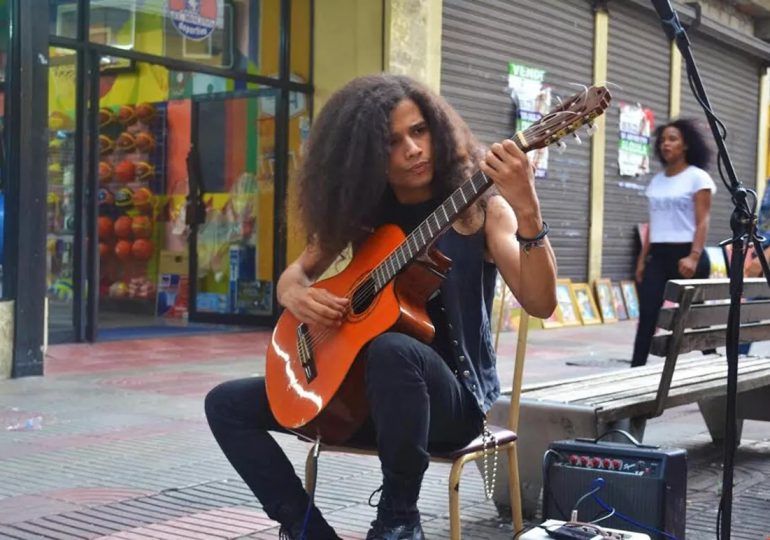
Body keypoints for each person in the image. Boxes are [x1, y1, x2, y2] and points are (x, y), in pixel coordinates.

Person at [204, 74, 557, 540]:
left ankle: (397, 520)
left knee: (393, 349)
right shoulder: (363, 214)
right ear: (365, 156)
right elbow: (294, 277)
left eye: (419, 131)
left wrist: (528, 210)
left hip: (449, 408)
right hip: (358, 403)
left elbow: (541, 302)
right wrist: (295, 296)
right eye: (392, 142)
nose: (412, 149)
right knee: (225, 404)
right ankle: (307, 529)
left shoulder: (481, 211)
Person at [631, 118, 716, 367]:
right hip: (658, 256)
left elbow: (703, 221)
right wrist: (641, 260)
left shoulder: (697, 178)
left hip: (687, 255)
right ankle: (635, 370)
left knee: (696, 318)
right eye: (663, 140)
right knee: (648, 314)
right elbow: (653, 224)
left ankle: (714, 365)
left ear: (685, 145)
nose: (666, 144)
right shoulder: (656, 181)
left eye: (672, 139)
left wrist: (694, 255)